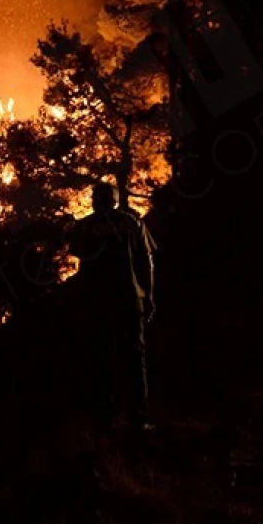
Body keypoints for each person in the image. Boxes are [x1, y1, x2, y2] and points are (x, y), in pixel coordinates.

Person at [67, 182, 156, 432]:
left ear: (96, 201)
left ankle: (104, 417)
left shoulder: (84, 226)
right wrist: (148, 296)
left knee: (101, 358)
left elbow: (79, 261)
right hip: (130, 299)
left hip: (98, 302)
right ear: (115, 200)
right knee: (135, 359)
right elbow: (146, 262)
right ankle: (139, 416)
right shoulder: (133, 223)